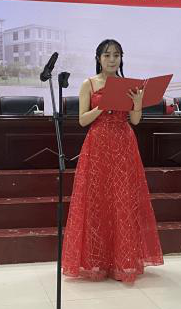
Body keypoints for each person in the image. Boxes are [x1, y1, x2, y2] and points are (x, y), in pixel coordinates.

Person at [61, 39, 164, 283]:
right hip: (97, 144)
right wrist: (103, 106)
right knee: (97, 200)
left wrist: (137, 103)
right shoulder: (89, 84)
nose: (112, 59)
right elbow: (82, 120)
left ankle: (123, 262)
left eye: (116, 55)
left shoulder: (128, 85)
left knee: (123, 199)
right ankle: (96, 262)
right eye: (107, 55)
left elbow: (135, 121)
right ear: (98, 58)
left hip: (123, 143)